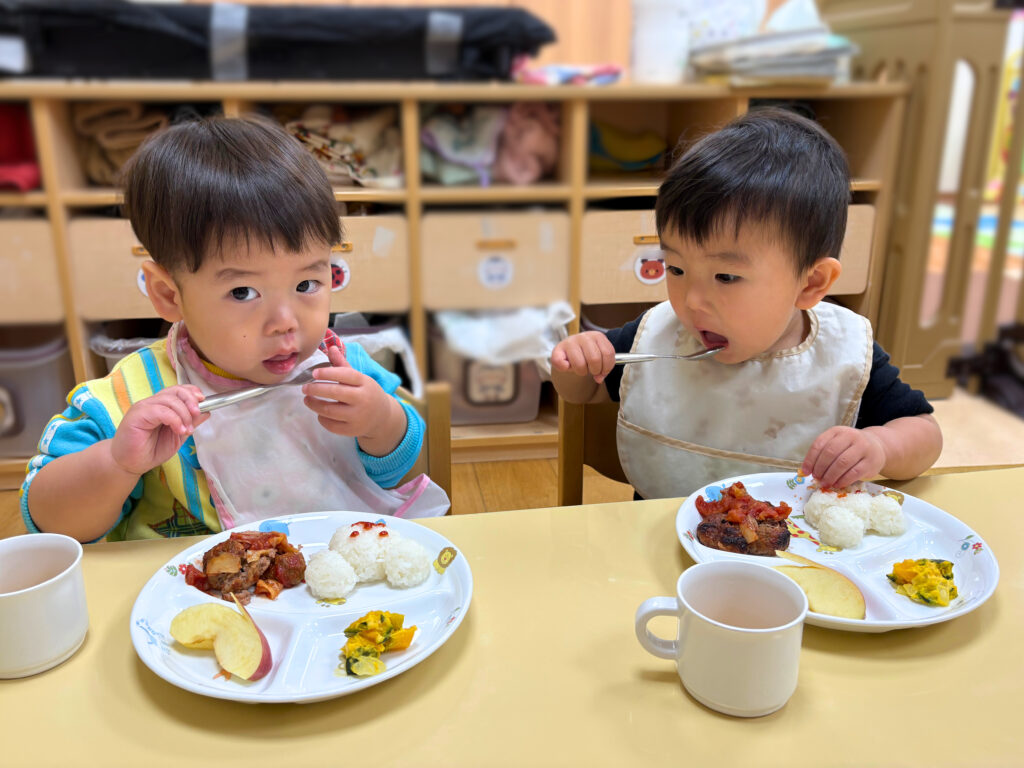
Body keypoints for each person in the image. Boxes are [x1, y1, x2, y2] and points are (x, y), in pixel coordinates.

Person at [22, 115, 447, 542]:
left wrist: (380, 422)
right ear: (169, 295)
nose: (286, 322)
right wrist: (117, 464)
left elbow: (400, 474)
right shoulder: (127, 400)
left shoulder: (341, 368)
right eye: (243, 292)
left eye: (306, 284)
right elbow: (52, 525)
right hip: (195, 596)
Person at [551, 107, 942, 499]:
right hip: (660, 534)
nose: (692, 300)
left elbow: (925, 434)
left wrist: (880, 446)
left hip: (792, 552)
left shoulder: (843, 354)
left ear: (811, 283)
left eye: (726, 277)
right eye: (676, 268)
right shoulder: (659, 333)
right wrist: (578, 363)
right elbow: (582, 392)